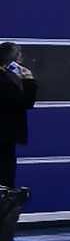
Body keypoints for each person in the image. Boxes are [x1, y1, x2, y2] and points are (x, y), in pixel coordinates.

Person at [0, 44, 32, 195]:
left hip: (5, 135)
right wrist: (29, 80)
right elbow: (25, 102)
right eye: (19, 55)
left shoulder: (7, 77)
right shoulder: (6, 81)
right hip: (4, 136)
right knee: (5, 176)